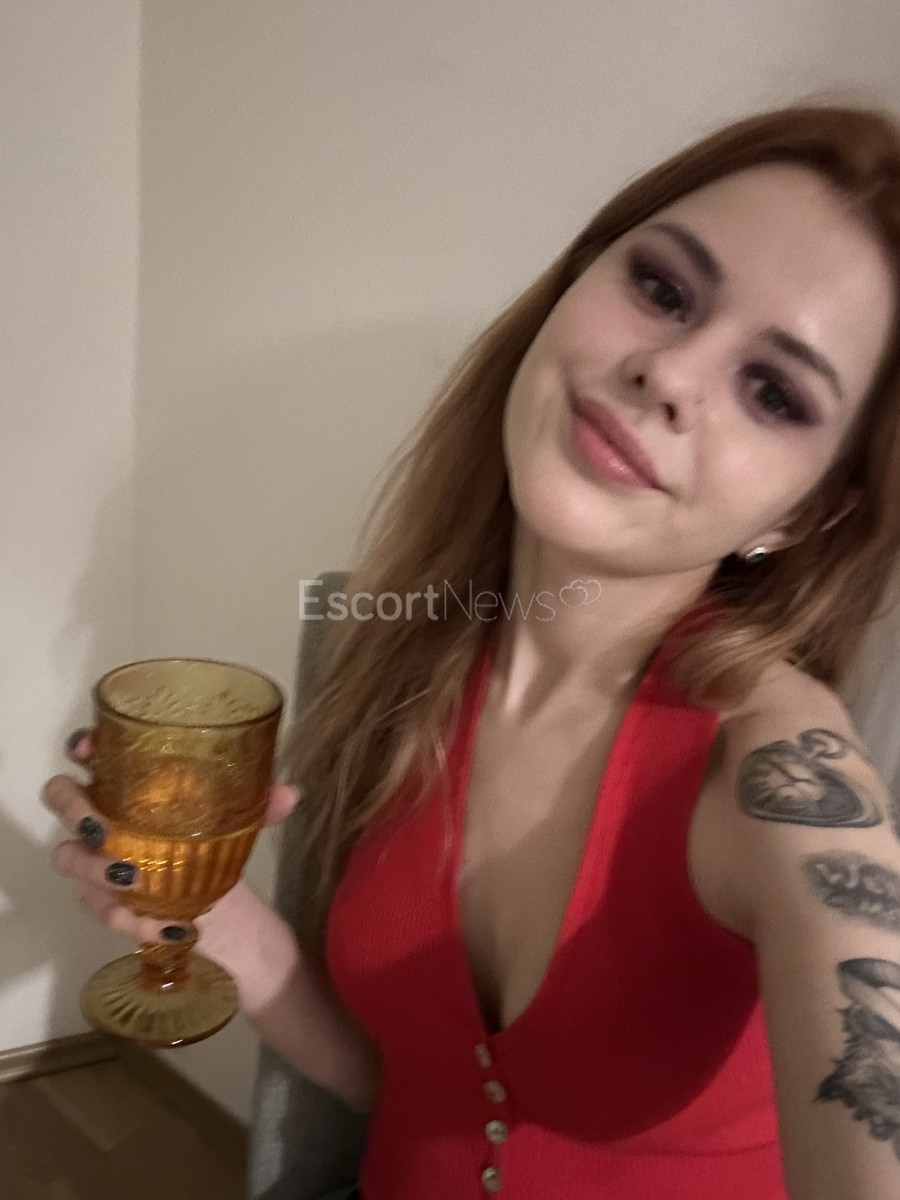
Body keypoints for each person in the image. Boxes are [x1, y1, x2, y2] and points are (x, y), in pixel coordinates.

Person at [43, 98, 900, 1199]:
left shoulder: (779, 775)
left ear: (804, 513)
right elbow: (410, 1091)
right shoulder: (410, 656)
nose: (672, 373)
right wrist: (229, 930)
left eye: (774, 392)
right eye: (661, 289)